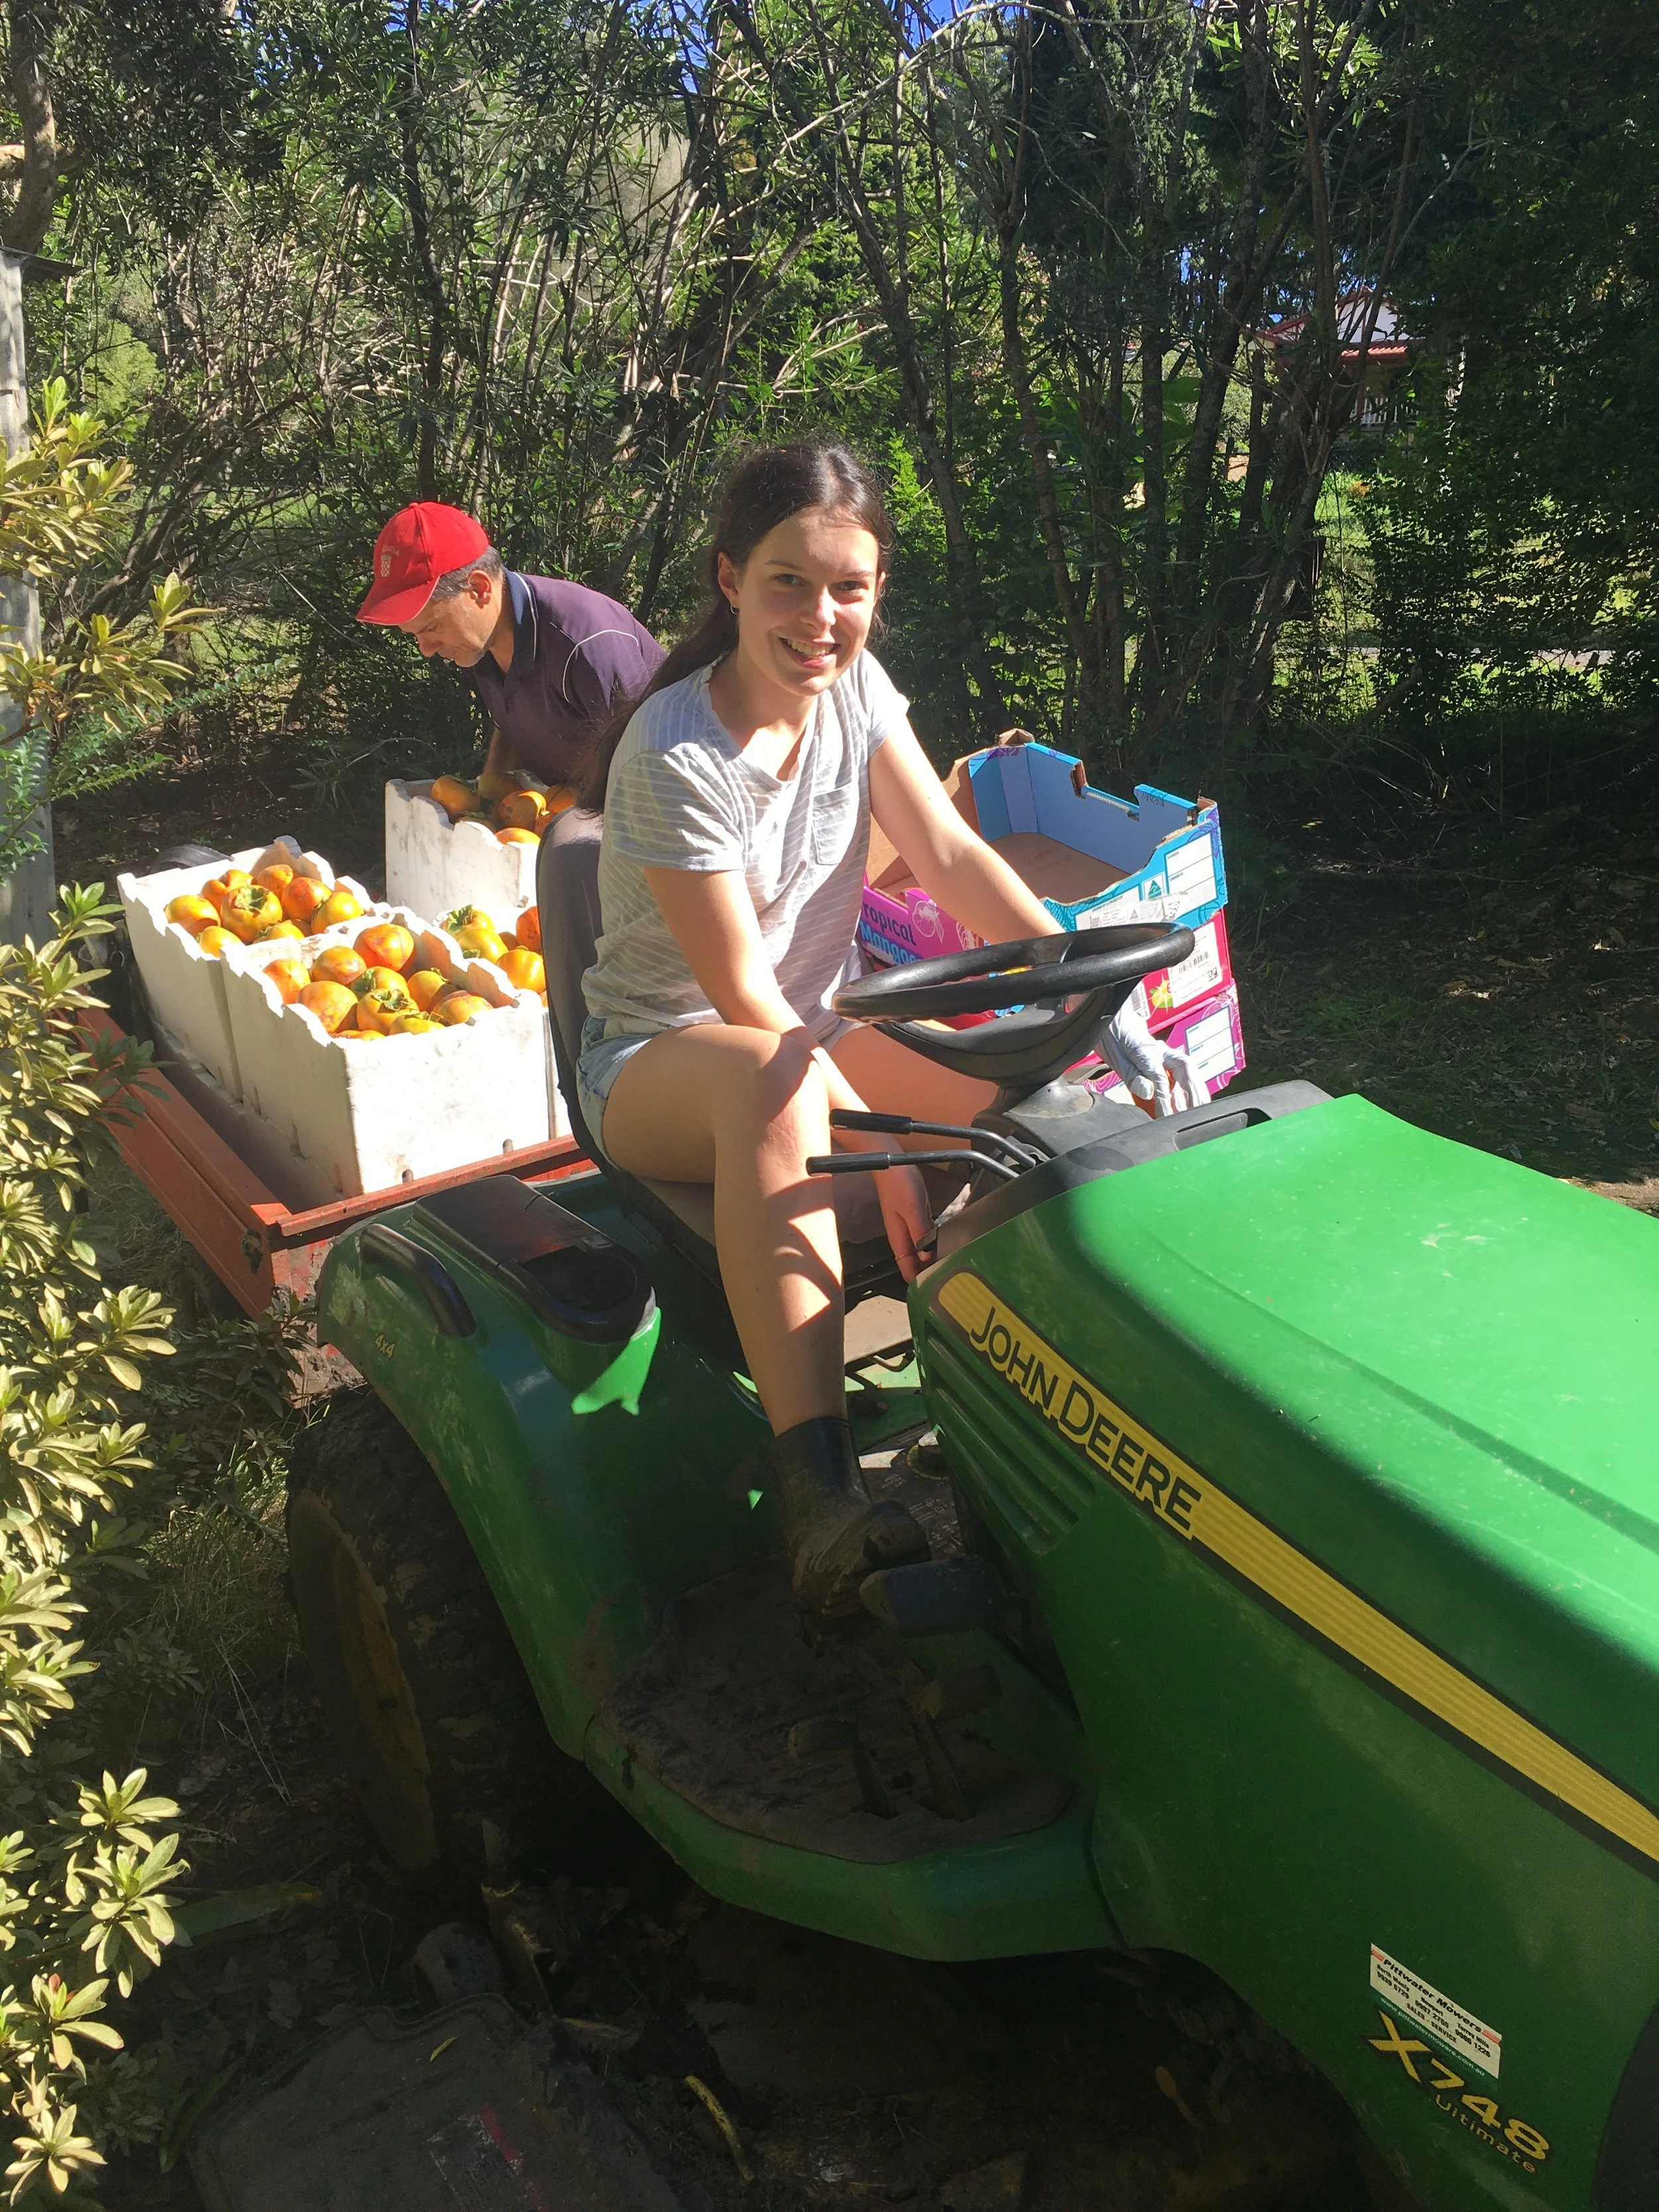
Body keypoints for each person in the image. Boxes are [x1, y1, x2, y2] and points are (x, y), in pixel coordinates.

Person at [572, 441, 1199, 1632]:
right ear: (729, 579)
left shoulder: (856, 689)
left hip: (811, 1036)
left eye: (849, 588)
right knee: (776, 1083)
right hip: (669, 1058)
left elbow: (956, 858)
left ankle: (1022, 1399)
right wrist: (896, 1143)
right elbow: (748, 996)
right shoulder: (674, 753)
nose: (822, 617)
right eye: (788, 583)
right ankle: (816, 1488)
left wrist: (1089, 1006)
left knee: (1050, 1091)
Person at [356, 501, 664, 789]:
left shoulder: (586, 643)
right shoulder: (476, 644)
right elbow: (514, 727)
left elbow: (653, 766)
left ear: (479, 589)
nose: (426, 649)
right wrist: (485, 805)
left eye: (432, 628)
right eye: (416, 635)